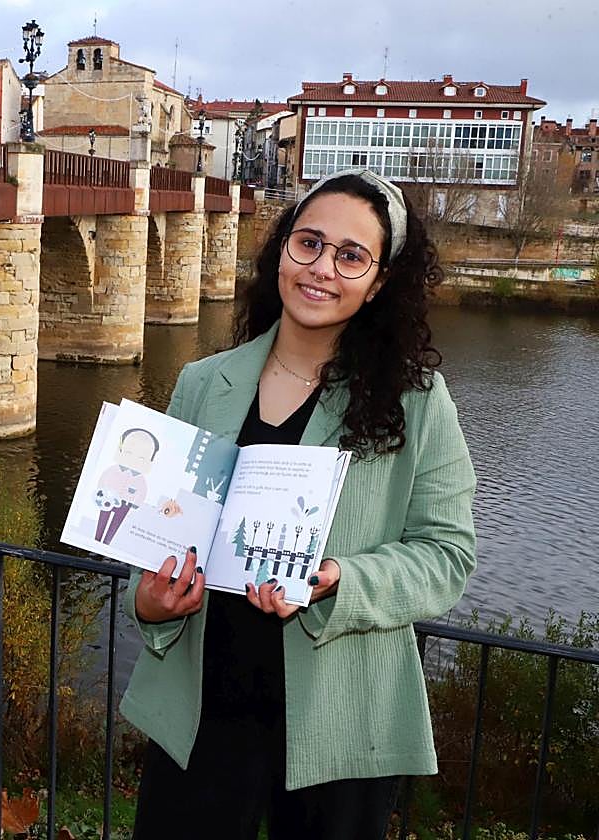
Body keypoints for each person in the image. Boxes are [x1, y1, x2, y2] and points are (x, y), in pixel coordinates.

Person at [120, 168, 476, 840]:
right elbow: (156, 536)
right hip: (202, 710)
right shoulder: (203, 383)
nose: (322, 268)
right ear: (282, 248)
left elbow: (448, 555)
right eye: (309, 243)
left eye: (351, 256)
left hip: (340, 718)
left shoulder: (418, 400)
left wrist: (342, 580)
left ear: (379, 282)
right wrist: (150, 601)